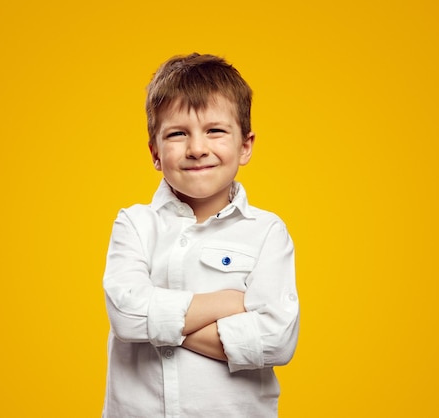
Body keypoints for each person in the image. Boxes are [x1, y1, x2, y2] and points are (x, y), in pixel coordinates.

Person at [102, 53, 300, 418]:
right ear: (155, 153)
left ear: (245, 146)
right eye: (178, 134)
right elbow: (127, 317)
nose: (197, 148)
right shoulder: (134, 224)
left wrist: (158, 323)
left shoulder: (267, 232)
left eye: (215, 130)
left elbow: (277, 340)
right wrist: (228, 301)